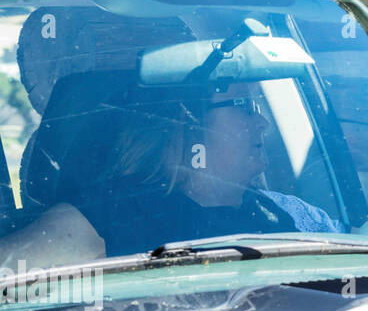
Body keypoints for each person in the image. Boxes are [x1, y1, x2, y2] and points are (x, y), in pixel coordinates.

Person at [0, 80, 345, 268]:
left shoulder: (295, 215)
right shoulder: (107, 217)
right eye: (244, 106)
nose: (263, 123)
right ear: (187, 125)